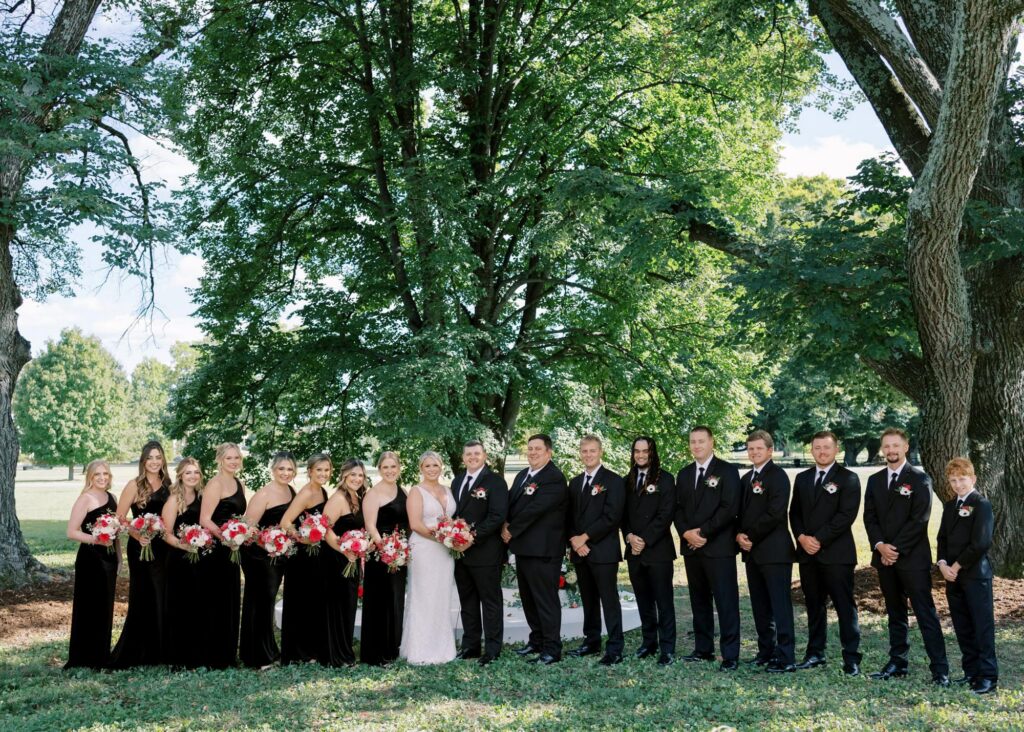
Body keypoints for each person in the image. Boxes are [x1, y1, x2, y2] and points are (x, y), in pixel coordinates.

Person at [863, 428, 949, 686]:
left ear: (906, 447)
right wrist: (880, 546)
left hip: (912, 559)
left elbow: (919, 519)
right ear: (882, 449)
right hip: (884, 558)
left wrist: (894, 549)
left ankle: (940, 670)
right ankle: (897, 663)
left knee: (925, 613)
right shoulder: (875, 480)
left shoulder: (920, 479)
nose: (891, 450)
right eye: (887, 446)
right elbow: (870, 517)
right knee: (895, 612)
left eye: (895, 445)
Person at [790, 430, 862, 676]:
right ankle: (815, 653)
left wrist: (818, 539)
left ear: (836, 449)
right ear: (811, 450)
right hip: (807, 554)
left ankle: (851, 658)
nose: (822, 452)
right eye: (817, 447)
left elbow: (846, 516)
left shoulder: (848, 478)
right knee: (814, 605)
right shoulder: (802, 478)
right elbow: (794, 513)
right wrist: (801, 537)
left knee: (844, 606)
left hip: (837, 554)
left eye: (826, 447)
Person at [674, 425, 741, 671]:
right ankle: (703, 649)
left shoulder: (727, 470)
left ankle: (730, 654)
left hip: (718, 546)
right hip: (692, 547)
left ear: (712, 442)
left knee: (726, 601)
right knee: (699, 600)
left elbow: (729, 508)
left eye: (701, 441)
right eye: (693, 441)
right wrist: (686, 533)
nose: (697, 445)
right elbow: (677, 508)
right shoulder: (684, 474)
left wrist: (703, 532)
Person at [502, 434, 569, 665]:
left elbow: (536, 509)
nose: (533, 452)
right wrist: (504, 523)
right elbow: (511, 503)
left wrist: (511, 530)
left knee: (545, 600)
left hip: (544, 550)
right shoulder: (522, 475)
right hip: (523, 548)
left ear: (548, 452)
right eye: (530, 448)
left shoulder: (554, 477)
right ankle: (537, 640)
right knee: (529, 599)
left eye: (538, 449)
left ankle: (552, 648)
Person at [735, 430, 796, 673]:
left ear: (770, 451)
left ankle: (786, 657)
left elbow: (775, 513)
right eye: (751, 448)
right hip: (752, 553)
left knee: (780, 606)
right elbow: (738, 513)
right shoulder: (745, 479)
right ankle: (765, 652)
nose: (754, 452)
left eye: (759, 448)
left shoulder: (778, 476)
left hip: (774, 552)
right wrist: (738, 534)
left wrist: (749, 536)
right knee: (760, 607)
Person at [937, 457, 998, 695]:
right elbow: (942, 538)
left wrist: (957, 565)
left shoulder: (981, 504)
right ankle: (971, 672)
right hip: (952, 577)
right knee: (963, 626)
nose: (958, 484)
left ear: (973, 478)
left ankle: (988, 676)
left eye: (962, 479)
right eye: (953, 480)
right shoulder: (950, 506)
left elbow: (981, 542)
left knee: (981, 626)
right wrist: (943, 564)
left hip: (975, 576)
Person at [109, 441, 172, 668]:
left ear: (163, 460)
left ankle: (161, 650)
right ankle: (138, 651)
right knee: (143, 595)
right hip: (140, 547)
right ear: (143, 461)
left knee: (162, 594)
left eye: (158, 457)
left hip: (163, 548)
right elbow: (120, 518)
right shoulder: (134, 485)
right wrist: (137, 534)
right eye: (150, 458)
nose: (154, 462)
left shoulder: (168, 485)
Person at [566, 434, 625, 665]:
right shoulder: (574, 483)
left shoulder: (613, 480)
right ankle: (591, 641)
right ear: (580, 453)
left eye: (592, 450)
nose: (588, 455)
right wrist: (575, 541)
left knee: (609, 600)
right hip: (580, 551)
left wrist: (585, 538)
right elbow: (568, 516)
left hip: (603, 551)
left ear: (600, 452)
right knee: (588, 599)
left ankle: (615, 648)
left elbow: (612, 516)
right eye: (584, 451)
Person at [450, 439, 509, 666]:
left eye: (477, 453)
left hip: (486, 552)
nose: (472, 457)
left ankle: (492, 649)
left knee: (490, 602)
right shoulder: (457, 481)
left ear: (484, 456)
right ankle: (470, 646)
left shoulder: (495, 481)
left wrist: (471, 538)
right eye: (468, 454)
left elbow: (497, 516)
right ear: (463, 458)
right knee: (468, 601)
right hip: (460, 553)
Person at [622, 436, 677, 665]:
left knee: (664, 602)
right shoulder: (627, 480)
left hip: (658, 550)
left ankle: (667, 648)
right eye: (637, 451)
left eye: (645, 451)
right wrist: (629, 536)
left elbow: (666, 514)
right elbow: (622, 515)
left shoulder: (666, 479)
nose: (641, 455)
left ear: (652, 453)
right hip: (634, 551)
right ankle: (649, 643)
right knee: (643, 601)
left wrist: (644, 539)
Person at [239, 451, 296, 668]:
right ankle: (257, 656)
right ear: (273, 470)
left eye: (289, 469)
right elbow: (247, 530)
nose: (285, 473)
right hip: (257, 555)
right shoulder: (263, 495)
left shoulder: (291, 491)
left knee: (268, 602)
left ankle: (269, 650)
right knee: (259, 602)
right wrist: (269, 544)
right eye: (281, 468)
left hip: (277, 556)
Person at [400, 451, 458, 665]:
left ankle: (442, 646)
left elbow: (452, 519)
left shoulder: (448, 490)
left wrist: (454, 534)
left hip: (445, 552)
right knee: (424, 595)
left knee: (441, 595)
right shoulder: (416, 491)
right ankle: (420, 649)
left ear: (441, 466)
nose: (432, 469)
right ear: (421, 469)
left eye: (435, 465)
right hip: (424, 548)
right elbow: (415, 524)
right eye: (427, 466)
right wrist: (443, 538)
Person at [64, 460, 119, 670]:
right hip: (91, 559)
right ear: (90, 477)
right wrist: (97, 540)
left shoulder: (112, 498)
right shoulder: (85, 498)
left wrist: (119, 558)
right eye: (97, 474)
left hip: (110, 559)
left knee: (105, 607)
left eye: (106, 474)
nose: (102, 478)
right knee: (89, 607)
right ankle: (84, 657)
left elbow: (116, 533)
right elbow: (71, 532)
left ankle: (101, 655)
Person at [279, 453, 333, 664]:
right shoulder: (307, 493)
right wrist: (303, 537)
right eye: (319, 470)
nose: (323, 474)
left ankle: (311, 649)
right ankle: (298, 652)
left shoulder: (322, 491)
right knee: (301, 602)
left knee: (313, 601)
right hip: (303, 557)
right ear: (310, 471)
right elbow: (286, 522)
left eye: (326, 470)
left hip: (317, 555)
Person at [198, 442, 247, 669]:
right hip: (216, 549)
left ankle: (227, 653)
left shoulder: (240, 483)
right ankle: (212, 655)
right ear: (220, 460)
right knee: (215, 599)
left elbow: (239, 517)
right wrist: (224, 537)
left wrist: (240, 534)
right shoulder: (215, 484)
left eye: (236, 458)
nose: (233, 462)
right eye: (229, 458)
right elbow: (205, 519)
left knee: (230, 598)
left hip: (232, 548)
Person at [361, 451, 409, 665]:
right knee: (380, 600)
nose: (390, 471)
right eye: (385, 467)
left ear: (399, 468)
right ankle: (376, 652)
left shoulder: (403, 491)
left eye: (393, 466)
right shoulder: (373, 494)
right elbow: (370, 525)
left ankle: (393, 647)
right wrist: (385, 549)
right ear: (379, 469)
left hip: (399, 554)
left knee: (396, 599)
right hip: (380, 554)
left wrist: (400, 551)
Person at [161, 457, 207, 669]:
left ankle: (196, 654)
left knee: (197, 606)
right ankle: (177, 657)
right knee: (179, 606)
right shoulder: (173, 500)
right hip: (178, 559)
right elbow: (165, 533)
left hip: (199, 559)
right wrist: (183, 545)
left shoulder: (202, 497)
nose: (192, 476)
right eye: (188, 472)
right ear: (180, 475)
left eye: (196, 472)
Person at [321, 459, 366, 666]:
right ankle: (336, 656)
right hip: (336, 558)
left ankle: (345, 651)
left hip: (352, 558)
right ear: (344, 476)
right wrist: (344, 550)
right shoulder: (338, 499)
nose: (357, 479)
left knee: (348, 605)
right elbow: (325, 529)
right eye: (353, 475)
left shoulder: (358, 496)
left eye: (360, 475)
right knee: (339, 606)